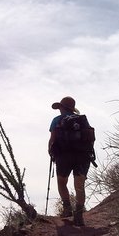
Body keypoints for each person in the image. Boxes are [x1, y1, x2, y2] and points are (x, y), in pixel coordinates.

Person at [48, 96, 90, 226]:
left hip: (63, 156)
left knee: (62, 183)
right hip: (82, 156)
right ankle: (79, 215)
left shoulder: (56, 120)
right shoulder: (82, 120)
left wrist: (51, 151)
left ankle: (67, 210)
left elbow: (52, 139)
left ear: (62, 107)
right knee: (79, 186)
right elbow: (89, 137)